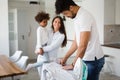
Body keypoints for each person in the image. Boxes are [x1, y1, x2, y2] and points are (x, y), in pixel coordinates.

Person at [55, 0, 105, 80]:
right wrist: (65, 58)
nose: (66, 16)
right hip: (85, 58)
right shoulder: (77, 17)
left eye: (65, 13)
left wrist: (73, 65)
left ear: (71, 7)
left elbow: (82, 45)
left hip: (92, 60)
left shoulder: (84, 16)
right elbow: (76, 42)